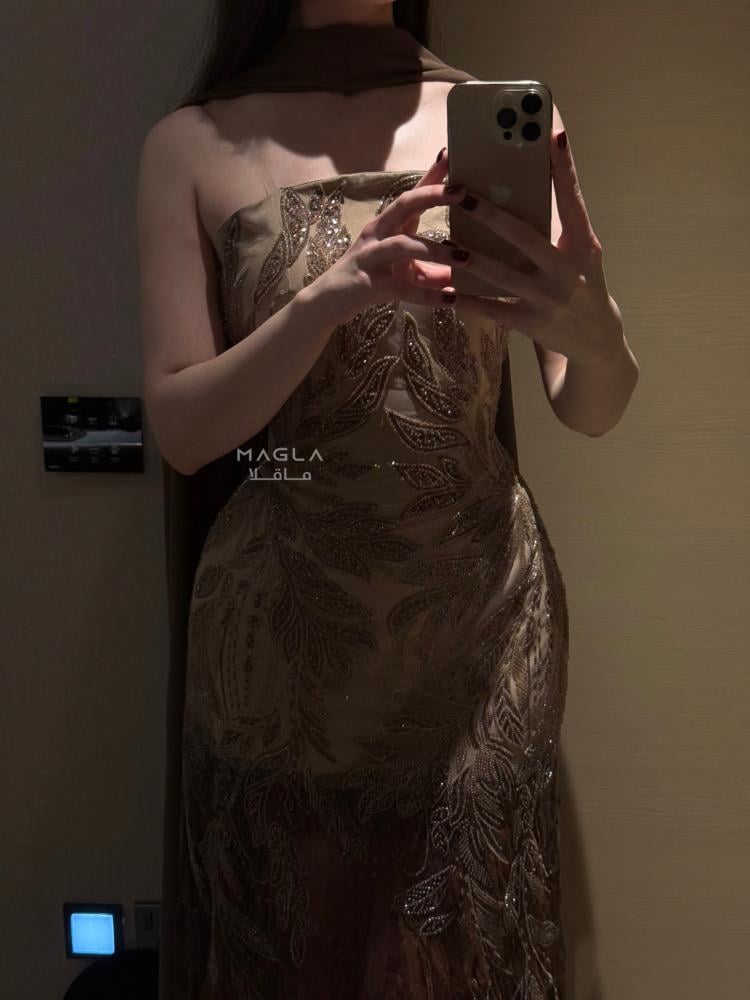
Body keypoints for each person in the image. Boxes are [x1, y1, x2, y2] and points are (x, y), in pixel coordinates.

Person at [138, 1, 639, 997]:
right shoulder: (189, 145)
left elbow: (590, 407)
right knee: (294, 949)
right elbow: (185, 431)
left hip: (481, 630)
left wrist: (595, 332)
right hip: (282, 646)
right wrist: (329, 299)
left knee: (464, 955)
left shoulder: (500, 121)